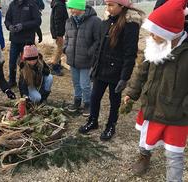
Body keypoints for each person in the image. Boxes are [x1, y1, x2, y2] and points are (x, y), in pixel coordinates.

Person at [124, 0, 188, 180]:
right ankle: (144, 156)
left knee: (174, 155)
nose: (151, 35)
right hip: (152, 107)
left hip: (177, 114)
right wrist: (131, 92)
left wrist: (185, 107)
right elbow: (141, 72)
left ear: (169, 32)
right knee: (145, 139)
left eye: (155, 31)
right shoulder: (154, 47)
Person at [78, 0, 144, 140]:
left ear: (122, 6)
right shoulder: (107, 21)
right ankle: (92, 120)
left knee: (114, 101)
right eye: (107, 4)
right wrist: (94, 67)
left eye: (111, 5)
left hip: (117, 71)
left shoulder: (130, 24)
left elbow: (130, 53)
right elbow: (100, 47)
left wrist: (124, 77)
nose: (107, 8)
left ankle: (111, 125)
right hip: (101, 69)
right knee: (95, 96)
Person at [64, 0, 101, 117]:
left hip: (86, 60)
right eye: (69, 8)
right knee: (76, 83)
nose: (70, 11)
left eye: (72, 8)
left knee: (85, 84)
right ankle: (77, 101)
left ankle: (87, 104)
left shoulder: (94, 21)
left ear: (79, 7)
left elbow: (98, 40)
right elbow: (67, 37)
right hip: (72, 59)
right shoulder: (69, 21)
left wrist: (89, 52)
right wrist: (66, 49)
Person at [4, 0, 42, 88]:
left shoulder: (32, 4)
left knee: (28, 62)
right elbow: (7, 20)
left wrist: (23, 26)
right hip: (15, 39)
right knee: (12, 62)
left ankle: (28, 82)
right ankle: (12, 81)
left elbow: (37, 21)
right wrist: (9, 26)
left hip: (27, 40)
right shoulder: (12, 4)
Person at [49, 0, 68, 76]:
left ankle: (57, 64)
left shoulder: (58, 3)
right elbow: (58, 21)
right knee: (59, 49)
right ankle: (54, 67)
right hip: (58, 32)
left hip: (57, 31)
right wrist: (59, 35)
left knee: (58, 48)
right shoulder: (59, 5)